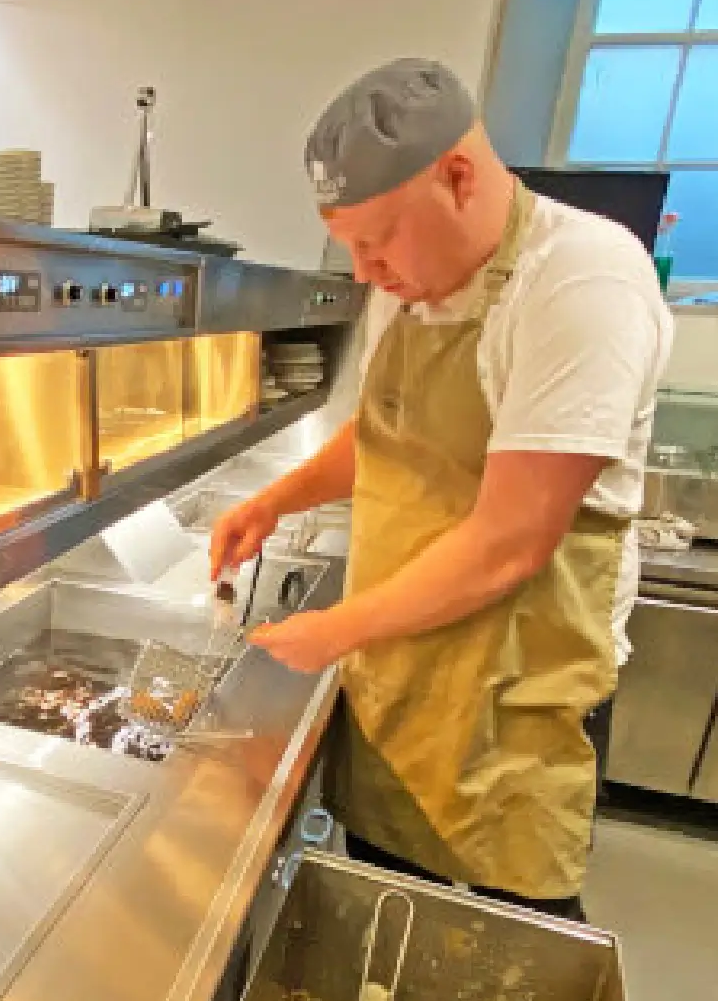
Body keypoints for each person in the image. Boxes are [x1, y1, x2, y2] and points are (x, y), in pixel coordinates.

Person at [212, 58, 672, 922]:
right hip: (405, 653)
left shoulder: (581, 280)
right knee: (389, 905)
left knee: (506, 934)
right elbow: (383, 434)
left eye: (376, 239)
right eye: (348, 244)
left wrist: (332, 630)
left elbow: (514, 539)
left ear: (457, 176)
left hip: (515, 686)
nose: (364, 268)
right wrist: (275, 500)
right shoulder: (414, 283)